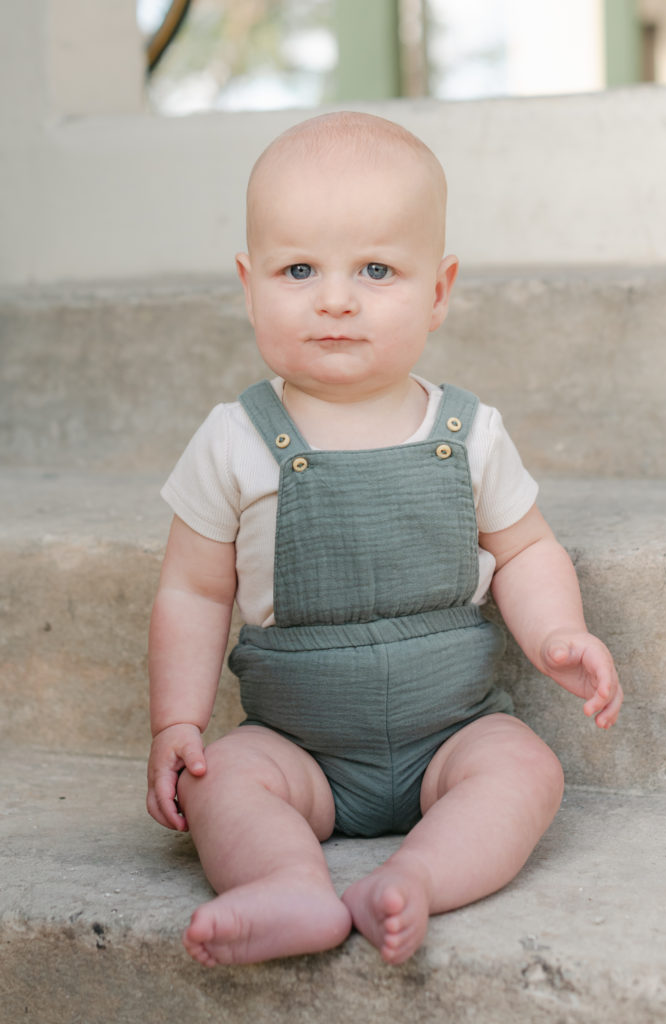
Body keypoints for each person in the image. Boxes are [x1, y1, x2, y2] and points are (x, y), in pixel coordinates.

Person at [146, 111, 622, 969]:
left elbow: (524, 549)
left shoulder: (469, 432)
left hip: (453, 733)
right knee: (223, 781)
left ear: (438, 292)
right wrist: (176, 719)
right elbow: (193, 590)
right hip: (301, 752)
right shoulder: (235, 438)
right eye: (299, 269)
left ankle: (418, 877)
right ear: (249, 285)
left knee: (526, 771)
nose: (335, 297)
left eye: (375, 268)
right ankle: (288, 884)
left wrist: (558, 630)